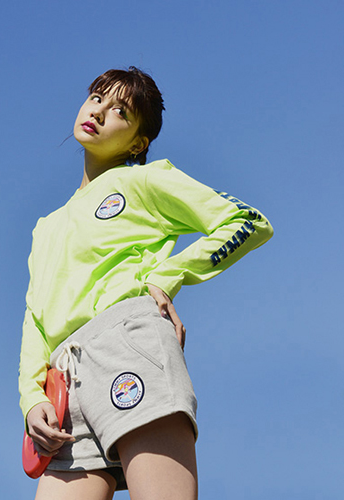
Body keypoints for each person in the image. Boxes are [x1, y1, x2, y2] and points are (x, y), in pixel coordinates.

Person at [19, 67, 273, 499]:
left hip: (128, 346)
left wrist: (169, 274)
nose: (99, 112)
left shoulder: (145, 179)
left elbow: (247, 221)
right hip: (64, 382)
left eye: (121, 111)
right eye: (97, 98)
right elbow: (35, 316)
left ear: (139, 143)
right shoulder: (45, 227)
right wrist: (31, 397)